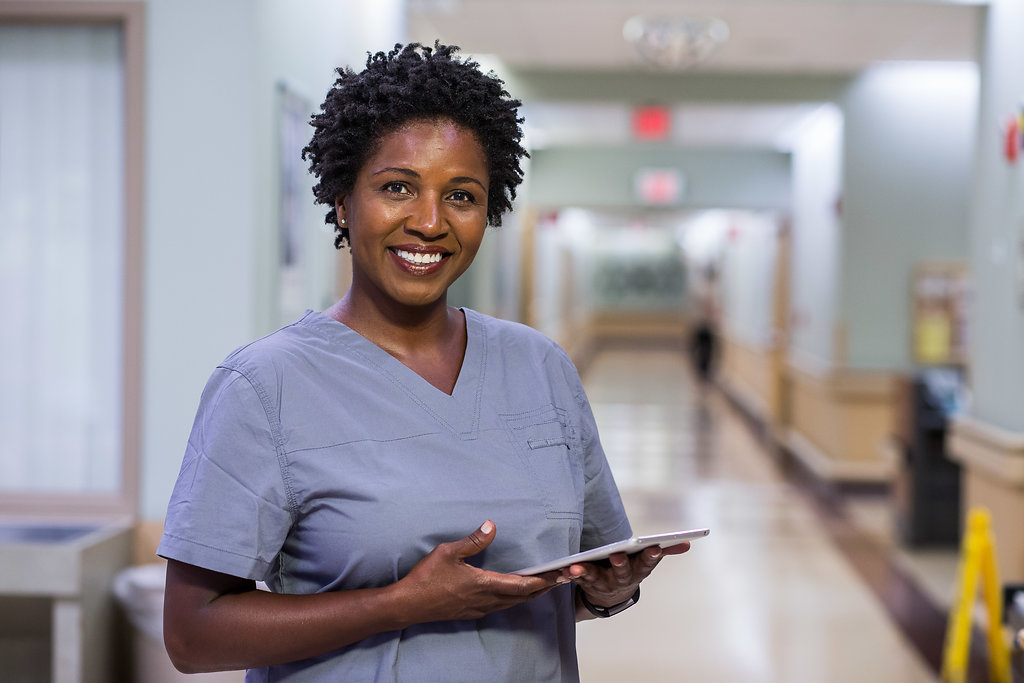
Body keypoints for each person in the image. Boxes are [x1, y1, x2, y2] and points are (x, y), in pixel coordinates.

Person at [158, 42, 689, 682]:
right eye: (397, 188)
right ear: (343, 203)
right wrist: (400, 605)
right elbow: (191, 635)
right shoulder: (265, 386)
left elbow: (563, 581)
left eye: (461, 196)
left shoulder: (540, 366)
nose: (430, 221)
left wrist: (607, 592)